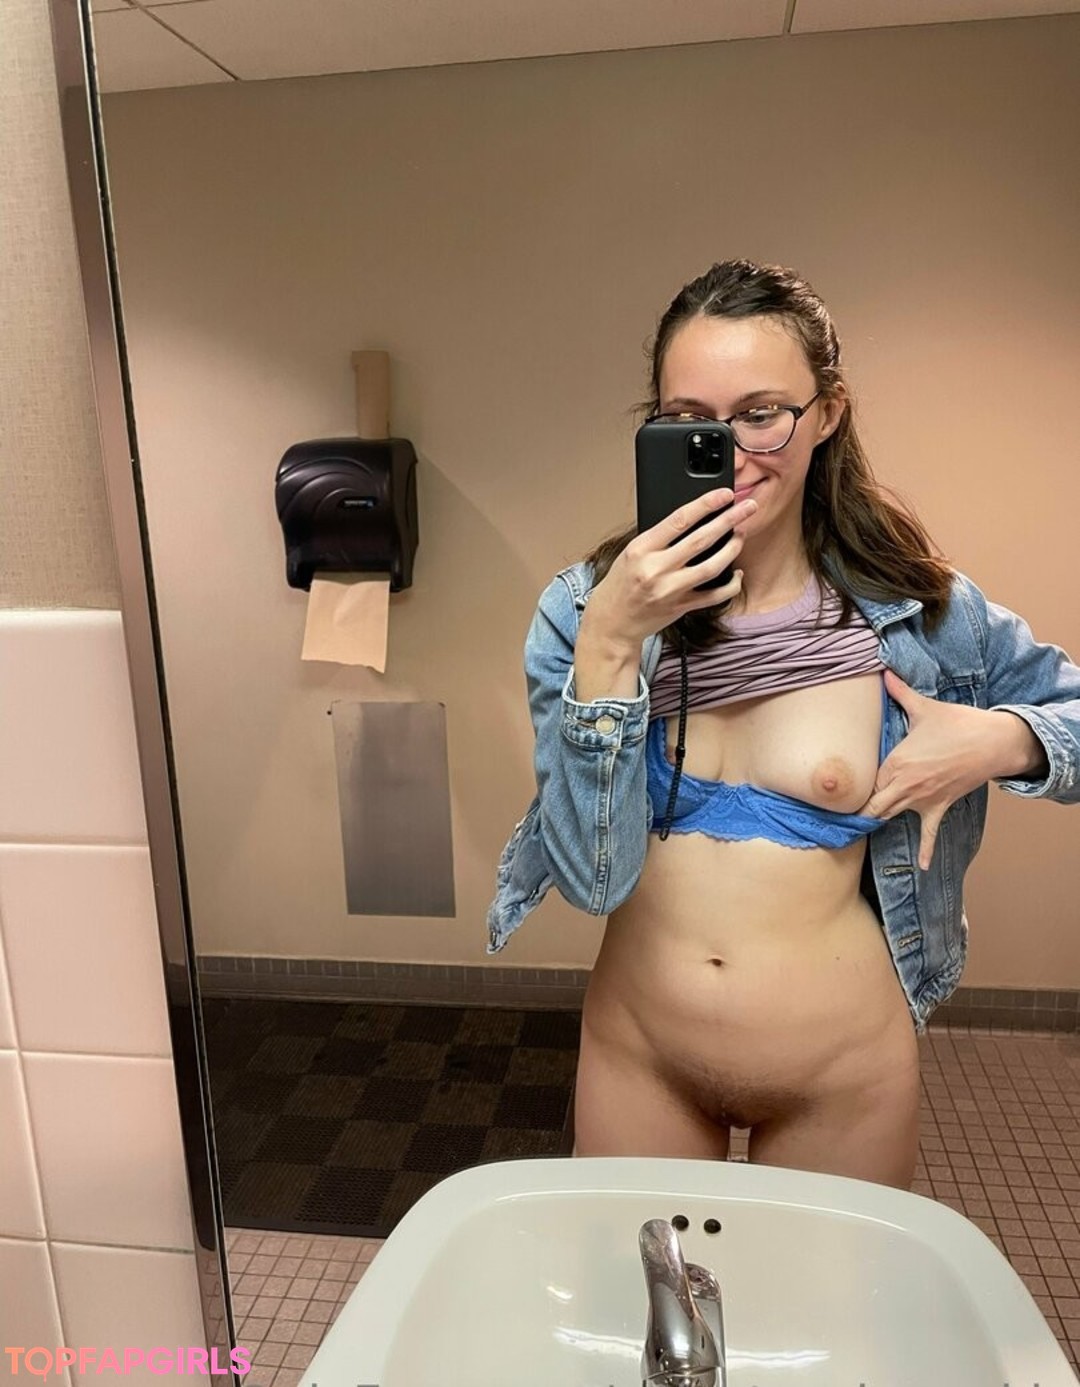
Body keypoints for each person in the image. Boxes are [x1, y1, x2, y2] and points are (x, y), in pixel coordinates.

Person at [486, 258, 1080, 1189]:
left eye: (762, 413)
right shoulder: (583, 611)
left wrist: (998, 741)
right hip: (640, 1052)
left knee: (820, 1292)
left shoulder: (917, 615)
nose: (729, 450)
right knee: (645, 1287)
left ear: (827, 412)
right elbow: (592, 879)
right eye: (689, 420)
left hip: (841, 1071)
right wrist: (610, 642)